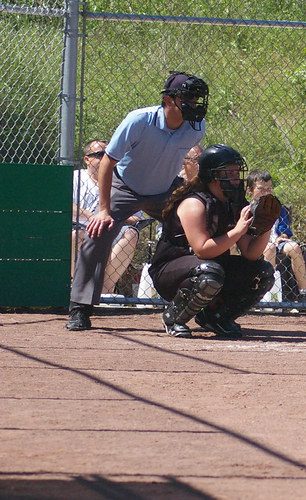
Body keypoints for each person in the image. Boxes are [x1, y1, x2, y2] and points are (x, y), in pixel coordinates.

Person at [66, 71, 208, 331]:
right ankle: (80, 308)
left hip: (165, 191)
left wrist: (190, 195)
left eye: (196, 99)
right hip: (125, 187)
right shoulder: (139, 120)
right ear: (168, 100)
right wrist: (104, 209)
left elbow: (187, 166)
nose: (193, 105)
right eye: (187, 98)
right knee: (97, 233)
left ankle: (191, 304)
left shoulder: (196, 127)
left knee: (196, 231)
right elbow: (108, 160)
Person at [149, 144, 276, 338]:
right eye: (229, 172)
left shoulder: (234, 202)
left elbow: (251, 253)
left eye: (236, 172)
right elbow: (202, 250)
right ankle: (174, 318)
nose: (236, 178)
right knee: (209, 271)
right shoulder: (195, 203)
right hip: (171, 273)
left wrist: (265, 226)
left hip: (212, 267)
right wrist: (238, 230)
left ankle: (216, 317)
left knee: (262, 272)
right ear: (212, 176)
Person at [72, 139, 144, 296]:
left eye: (109, 154)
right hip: (80, 228)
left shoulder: (122, 181)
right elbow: (66, 206)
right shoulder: (76, 178)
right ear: (87, 159)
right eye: (99, 154)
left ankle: (104, 290)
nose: (105, 158)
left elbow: (136, 217)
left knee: (131, 233)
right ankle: (78, 287)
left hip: (113, 227)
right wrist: (95, 218)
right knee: (75, 235)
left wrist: (111, 219)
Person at [246, 169, 306, 302]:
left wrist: (282, 236)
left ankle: (304, 293)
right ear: (250, 190)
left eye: (269, 189)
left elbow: (284, 228)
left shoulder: (277, 207)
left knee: (294, 247)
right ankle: (268, 293)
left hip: (277, 241)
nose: (266, 192)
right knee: (270, 248)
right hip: (258, 243)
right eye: (261, 189)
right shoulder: (248, 209)